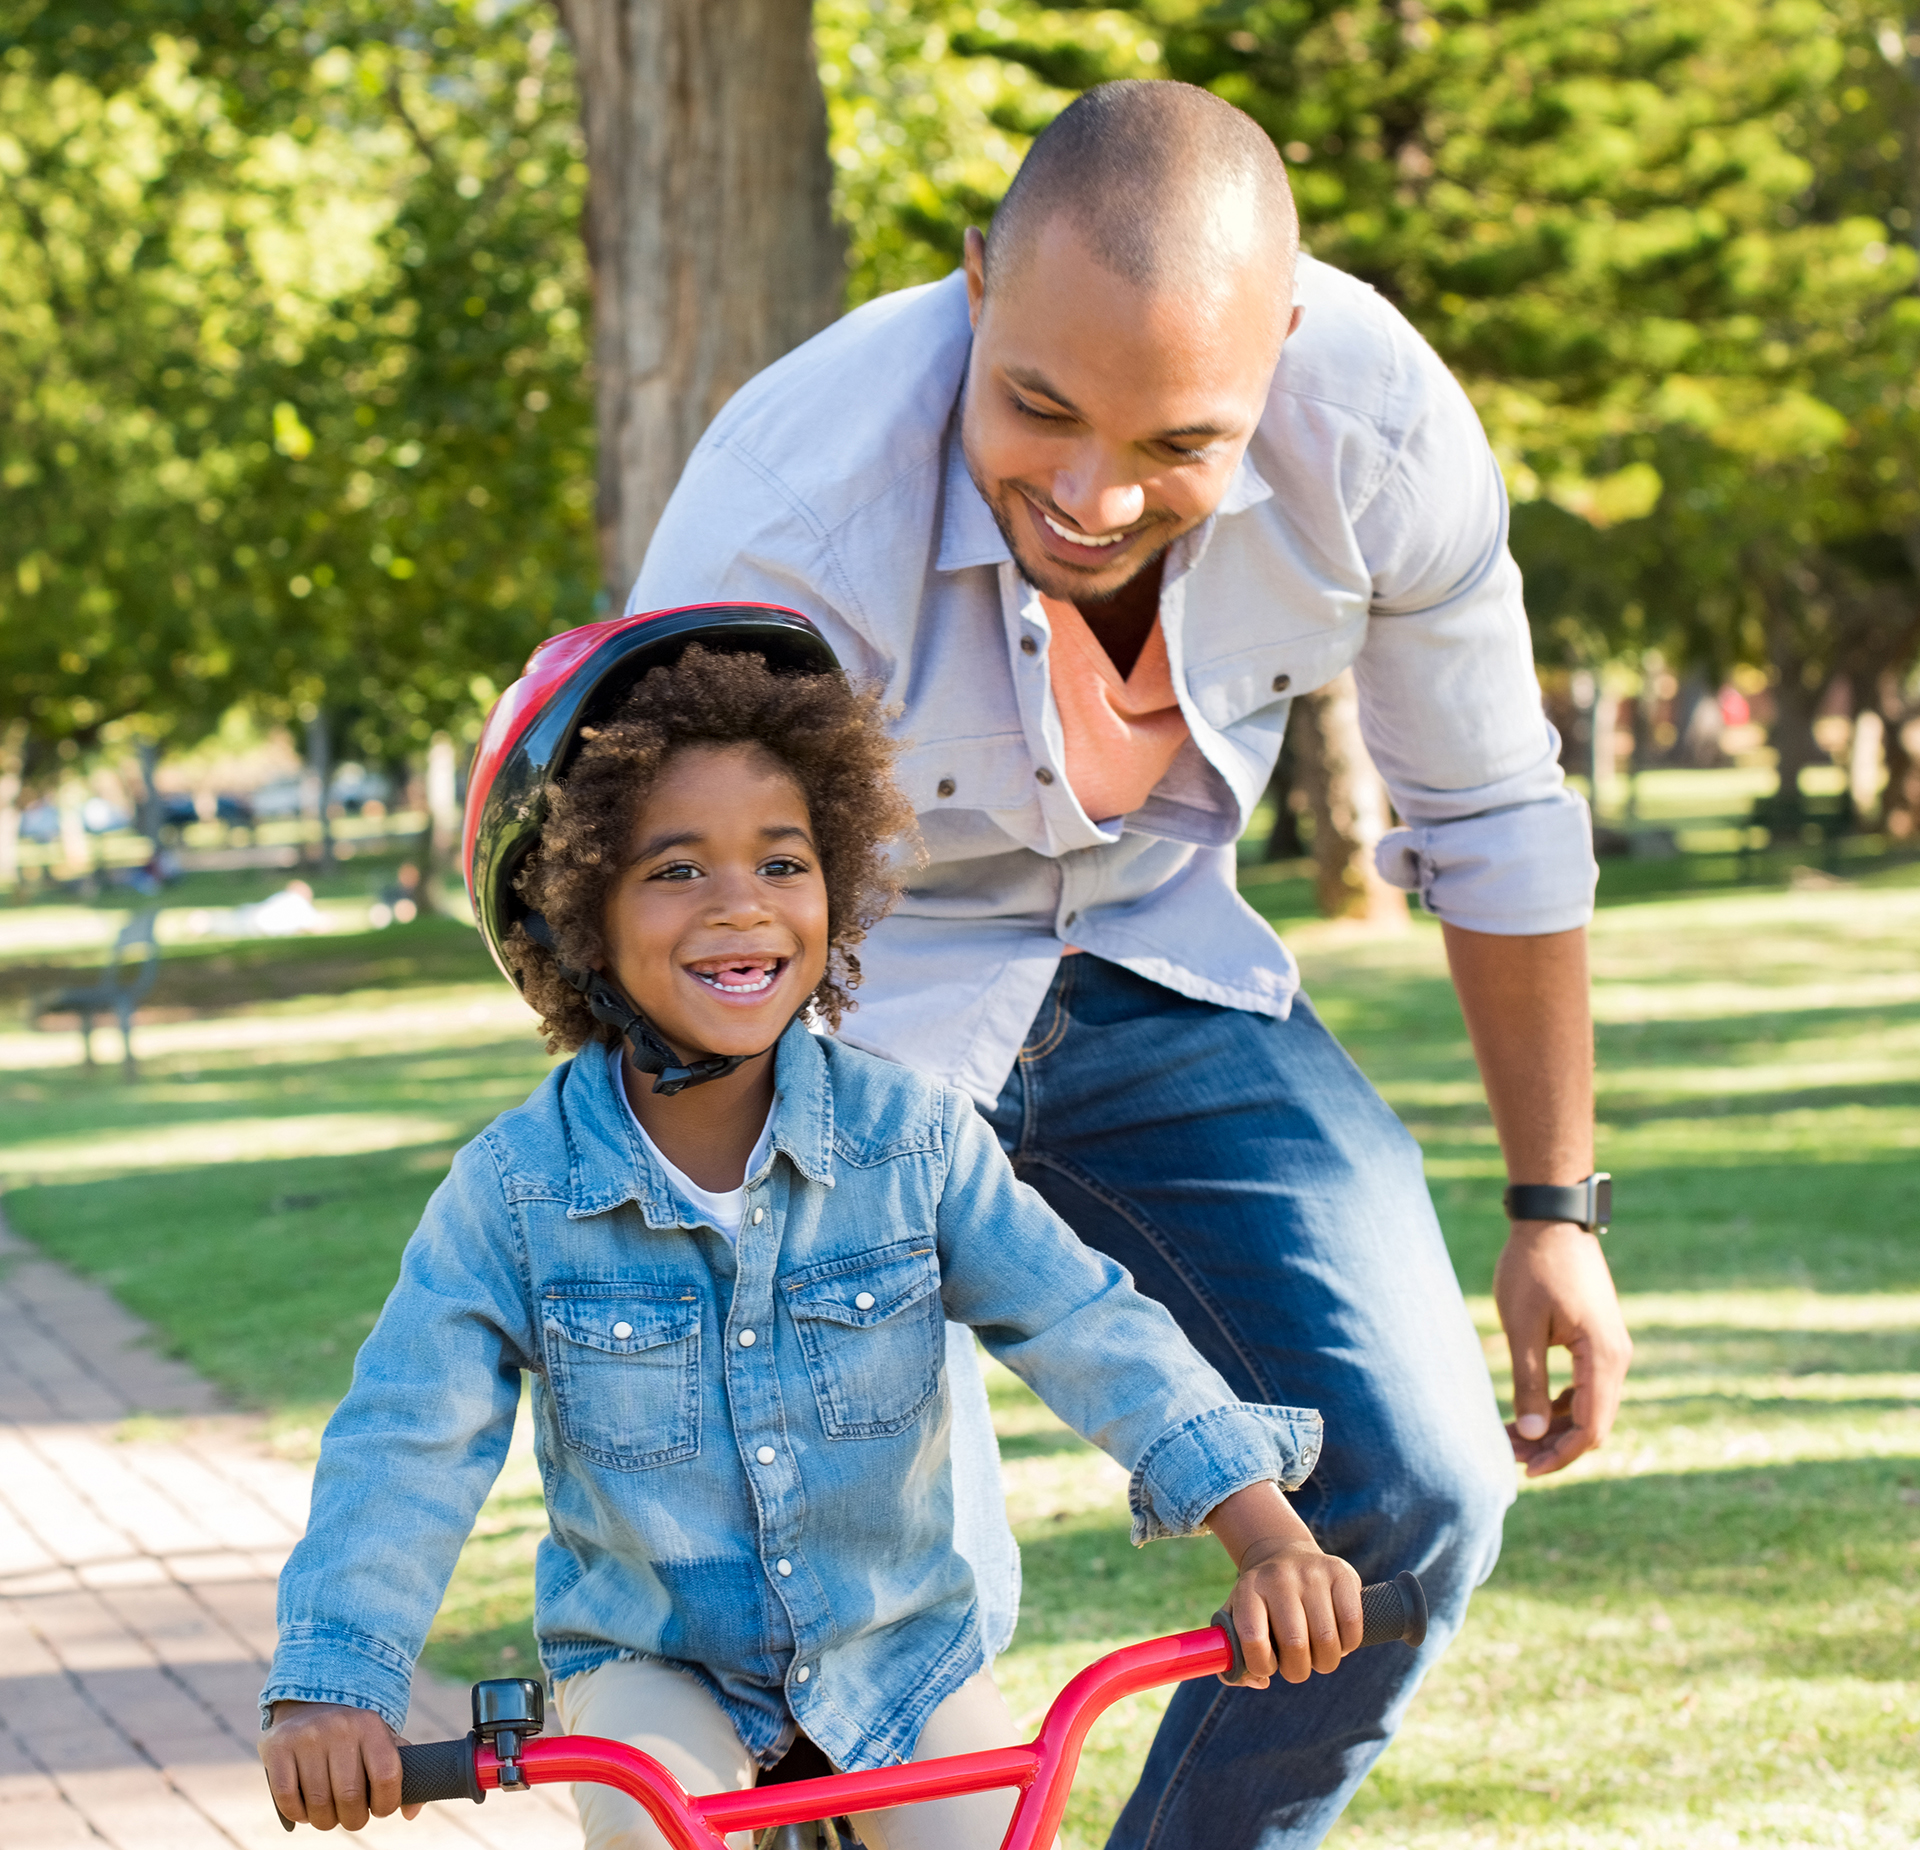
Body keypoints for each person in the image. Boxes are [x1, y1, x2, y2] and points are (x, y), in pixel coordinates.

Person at [630, 80, 1633, 1848]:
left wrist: (1556, 1208)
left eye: (1180, 442)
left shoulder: (1377, 429)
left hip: (1170, 969)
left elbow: (1491, 811)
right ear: (972, 293)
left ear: (1284, 350)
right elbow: (663, 917)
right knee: (867, 1618)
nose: (1093, 494)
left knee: (1414, 1492)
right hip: (844, 1020)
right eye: (1038, 409)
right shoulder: (791, 516)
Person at [257, 615, 1369, 1850]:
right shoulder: (515, 1192)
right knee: (650, 1821)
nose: (741, 908)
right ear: (574, 908)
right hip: (654, 1663)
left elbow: (1081, 1318)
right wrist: (333, 1686)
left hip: (897, 1649)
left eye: (782, 863)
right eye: (675, 869)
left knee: (990, 1830)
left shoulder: (913, 1140)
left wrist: (1264, 1530)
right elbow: (407, 1435)